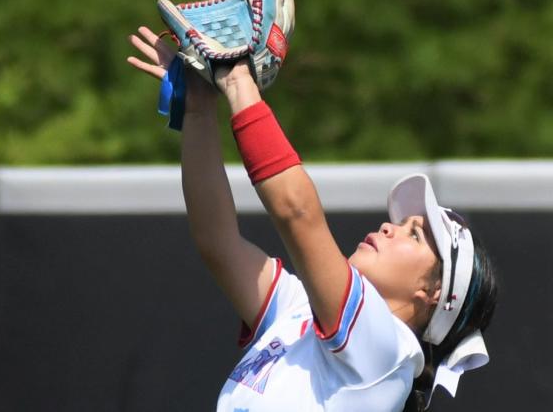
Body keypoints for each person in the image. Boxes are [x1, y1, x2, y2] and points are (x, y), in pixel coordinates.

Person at [127, 27, 498, 412]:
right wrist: (199, 111)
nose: (390, 227)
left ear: (435, 295)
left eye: (415, 235)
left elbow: (297, 213)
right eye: (403, 224)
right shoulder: (301, 310)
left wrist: (238, 80)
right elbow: (217, 241)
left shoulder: (389, 350)